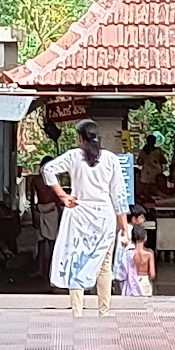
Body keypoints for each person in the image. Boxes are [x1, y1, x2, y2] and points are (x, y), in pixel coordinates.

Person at [43, 120, 129, 318]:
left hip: (80, 214)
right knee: (104, 266)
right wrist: (124, 227)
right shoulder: (110, 159)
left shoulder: (74, 156)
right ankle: (104, 311)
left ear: (80, 137)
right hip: (104, 216)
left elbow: (47, 169)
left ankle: (77, 312)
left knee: (76, 262)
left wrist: (63, 196)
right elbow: (119, 196)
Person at [29, 168, 61, 277]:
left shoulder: (40, 180)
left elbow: (33, 200)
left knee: (48, 242)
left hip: (48, 210)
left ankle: (49, 269)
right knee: (43, 242)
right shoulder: (52, 180)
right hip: (44, 210)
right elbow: (33, 200)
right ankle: (43, 269)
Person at [118, 225, 155, 297]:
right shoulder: (149, 254)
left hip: (131, 284)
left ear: (132, 239)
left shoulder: (128, 254)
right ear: (145, 238)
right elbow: (152, 274)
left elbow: (123, 274)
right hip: (144, 282)